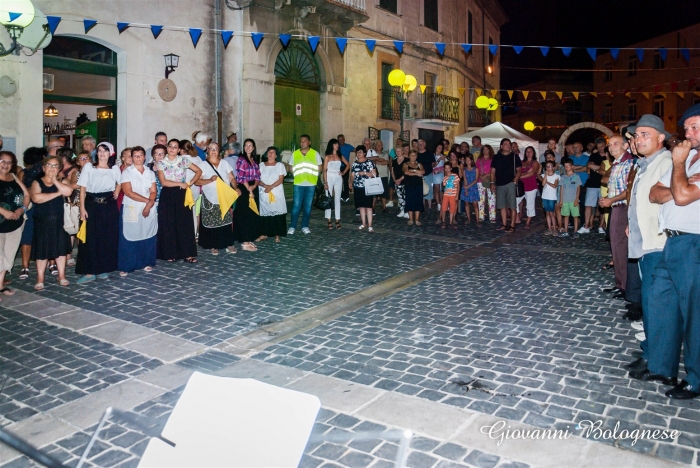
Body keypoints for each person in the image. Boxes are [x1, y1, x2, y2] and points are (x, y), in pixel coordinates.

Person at [644, 104, 700, 399]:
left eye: (695, 127)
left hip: (695, 243)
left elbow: (680, 196)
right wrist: (684, 178)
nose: (689, 134)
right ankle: (663, 366)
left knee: (694, 312)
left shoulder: (683, 159)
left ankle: (696, 378)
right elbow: (656, 193)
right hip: (673, 242)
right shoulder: (688, 158)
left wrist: (680, 170)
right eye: (687, 128)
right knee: (660, 300)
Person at [617, 115, 671, 382]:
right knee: (651, 305)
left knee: (657, 306)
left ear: (661, 138)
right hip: (643, 243)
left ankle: (659, 363)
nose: (638, 140)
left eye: (645, 134)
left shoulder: (667, 162)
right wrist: (631, 223)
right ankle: (651, 354)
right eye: (636, 136)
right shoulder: (644, 164)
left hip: (658, 244)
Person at [75, 142, 121, 283]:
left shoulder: (114, 169)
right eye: (100, 150)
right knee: (90, 238)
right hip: (92, 205)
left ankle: (103, 268)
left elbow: (120, 182)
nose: (102, 153)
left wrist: (116, 193)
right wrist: (82, 208)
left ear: (110, 153)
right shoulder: (89, 167)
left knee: (106, 237)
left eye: (105, 151)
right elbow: (83, 188)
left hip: (108, 206)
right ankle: (89, 272)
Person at [156, 138, 202, 263]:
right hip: (168, 194)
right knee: (168, 223)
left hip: (182, 194)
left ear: (179, 150)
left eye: (175, 147)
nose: (172, 149)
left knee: (184, 224)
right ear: (167, 148)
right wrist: (179, 184)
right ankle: (170, 253)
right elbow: (163, 182)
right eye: (170, 146)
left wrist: (190, 183)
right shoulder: (161, 163)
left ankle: (187, 253)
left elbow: (199, 171)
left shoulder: (183, 160)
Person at [30, 155, 73, 289]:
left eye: (55, 166)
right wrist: (57, 193)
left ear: (59, 168)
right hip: (42, 221)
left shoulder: (62, 180)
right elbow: (36, 198)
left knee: (61, 249)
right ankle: (40, 277)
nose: (52, 168)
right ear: (43, 167)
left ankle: (61, 275)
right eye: (49, 165)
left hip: (60, 221)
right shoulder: (37, 182)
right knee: (42, 251)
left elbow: (68, 191)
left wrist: (55, 181)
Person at [118, 146, 158, 276]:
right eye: (135, 156)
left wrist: (149, 204)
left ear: (144, 157)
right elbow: (128, 192)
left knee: (147, 233)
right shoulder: (127, 172)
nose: (138, 158)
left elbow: (153, 191)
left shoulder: (150, 172)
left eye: (140, 155)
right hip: (132, 206)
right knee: (130, 235)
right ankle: (127, 265)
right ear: (132, 157)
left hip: (148, 207)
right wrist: (148, 202)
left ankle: (146, 262)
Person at [196, 142, 239, 255]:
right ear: (207, 151)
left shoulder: (224, 163)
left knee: (225, 220)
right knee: (212, 222)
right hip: (210, 198)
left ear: (219, 150)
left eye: (216, 149)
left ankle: (228, 243)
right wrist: (209, 180)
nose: (214, 151)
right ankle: (213, 245)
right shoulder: (203, 165)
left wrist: (236, 188)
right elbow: (196, 181)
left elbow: (232, 178)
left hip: (223, 197)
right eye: (211, 149)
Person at [0, 151, 29, 296]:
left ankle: (0, 285)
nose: (5, 165)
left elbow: (27, 195)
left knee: (8, 255)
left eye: (9, 162)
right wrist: (3, 211)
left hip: (14, 224)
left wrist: (22, 209)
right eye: (2, 161)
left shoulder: (13, 177)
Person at [17, 147, 46, 280]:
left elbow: (19, 190)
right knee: (40, 236)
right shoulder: (44, 171)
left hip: (30, 205)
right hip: (41, 204)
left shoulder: (23, 172)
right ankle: (48, 265)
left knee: (27, 237)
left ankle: (25, 267)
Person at [286, 134, 323, 235]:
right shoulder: (295, 154)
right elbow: (290, 167)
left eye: (305, 141)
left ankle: (304, 226)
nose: (302, 143)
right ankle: (292, 226)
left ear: (309, 142)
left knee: (308, 206)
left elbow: (320, 167)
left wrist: (312, 174)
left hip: (311, 183)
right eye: (301, 141)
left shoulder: (315, 154)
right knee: (296, 206)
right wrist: (297, 175)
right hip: (298, 183)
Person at [233, 138, 262, 251]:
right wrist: (249, 189)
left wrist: (254, 187)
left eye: (250, 145)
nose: (248, 147)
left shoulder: (254, 161)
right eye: (246, 145)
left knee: (252, 214)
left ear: (253, 148)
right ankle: (244, 241)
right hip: (244, 188)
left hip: (253, 187)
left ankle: (249, 238)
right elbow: (241, 176)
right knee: (244, 215)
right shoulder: (241, 159)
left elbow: (257, 176)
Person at [491, 139, 522, 233]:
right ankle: (504, 224)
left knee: (512, 206)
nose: (508, 146)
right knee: (502, 205)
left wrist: (514, 181)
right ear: (501, 146)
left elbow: (519, 170)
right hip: (500, 184)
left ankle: (512, 225)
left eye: (509, 144)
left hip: (510, 183)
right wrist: (492, 183)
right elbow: (492, 171)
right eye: (505, 144)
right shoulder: (496, 157)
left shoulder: (514, 157)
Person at [258, 147, 288, 242]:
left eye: (273, 152)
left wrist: (270, 186)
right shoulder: (261, 165)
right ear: (266, 154)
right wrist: (265, 186)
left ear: (276, 155)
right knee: (265, 213)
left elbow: (280, 179)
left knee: (276, 213)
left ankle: (277, 234)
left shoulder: (279, 165)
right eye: (269, 152)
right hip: (264, 191)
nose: (270, 154)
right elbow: (257, 179)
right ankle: (264, 233)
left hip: (276, 192)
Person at [578, 137, 606, 234]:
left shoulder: (608, 156)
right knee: (588, 205)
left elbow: (610, 169)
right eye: (598, 147)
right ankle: (586, 226)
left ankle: (601, 226)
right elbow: (589, 166)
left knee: (604, 206)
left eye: (602, 146)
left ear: (605, 145)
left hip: (604, 185)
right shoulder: (593, 156)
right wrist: (602, 170)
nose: (600, 148)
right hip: (592, 184)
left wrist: (596, 169)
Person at [322, 139, 349, 230]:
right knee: (328, 199)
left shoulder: (340, 156)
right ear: (331, 145)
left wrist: (343, 172)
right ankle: (329, 219)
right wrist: (325, 182)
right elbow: (324, 170)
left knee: (337, 199)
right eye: (335, 144)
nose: (337, 145)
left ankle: (337, 220)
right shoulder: (327, 157)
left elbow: (348, 165)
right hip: (329, 177)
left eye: (337, 144)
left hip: (338, 177)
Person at [349, 145, 377, 232]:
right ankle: (363, 223)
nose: (359, 154)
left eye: (360, 152)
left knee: (368, 206)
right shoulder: (354, 163)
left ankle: (370, 225)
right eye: (357, 152)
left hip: (368, 187)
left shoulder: (369, 162)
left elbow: (374, 174)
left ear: (364, 153)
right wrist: (350, 182)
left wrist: (364, 173)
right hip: (358, 187)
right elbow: (352, 175)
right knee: (361, 206)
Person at [557, 158, 582, 237]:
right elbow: (562, 189)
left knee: (575, 216)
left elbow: (578, 188)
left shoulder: (576, 176)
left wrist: (576, 199)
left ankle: (575, 231)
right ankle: (566, 231)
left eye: (568, 166)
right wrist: (561, 200)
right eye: (565, 166)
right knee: (566, 215)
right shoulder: (563, 177)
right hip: (565, 199)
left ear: (572, 167)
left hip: (573, 199)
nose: (567, 168)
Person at [517, 146, 540, 229]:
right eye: (527, 151)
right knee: (515, 201)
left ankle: (528, 221)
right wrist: (521, 175)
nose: (528, 153)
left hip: (531, 186)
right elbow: (517, 171)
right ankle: (517, 217)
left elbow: (532, 173)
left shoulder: (535, 163)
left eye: (530, 151)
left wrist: (520, 176)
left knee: (530, 204)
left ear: (533, 153)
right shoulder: (522, 162)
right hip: (521, 186)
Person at [402, 150, 425, 226]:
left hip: (418, 185)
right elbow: (406, 172)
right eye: (411, 155)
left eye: (414, 155)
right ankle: (411, 219)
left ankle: (417, 219)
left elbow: (423, 172)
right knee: (410, 201)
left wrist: (413, 170)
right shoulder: (405, 164)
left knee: (418, 201)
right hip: (409, 185)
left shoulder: (419, 164)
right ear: (409, 156)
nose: (413, 157)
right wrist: (416, 173)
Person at [570, 142, 589, 225]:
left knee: (582, 204)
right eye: (574, 147)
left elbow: (586, 168)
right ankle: (572, 222)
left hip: (583, 184)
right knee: (571, 203)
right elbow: (567, 169)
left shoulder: (587, 158)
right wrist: (581, 167)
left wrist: (573, 169)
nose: (575, 148)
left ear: (581, 148)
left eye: (577, 147)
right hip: (571, 185)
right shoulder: (570, 158)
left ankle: (582, 222)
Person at [476, 144, 496, 224]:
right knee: (481, 199)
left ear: (489, 150)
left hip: (490, 179)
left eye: (487, 149)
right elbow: (476, 168)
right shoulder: (479, 159)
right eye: (484, 149)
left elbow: (494, 169)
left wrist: (487, 175)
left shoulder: (493, 159)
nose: (485, 151)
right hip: (480, 180)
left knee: (491, 198)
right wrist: (480, 176)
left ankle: (492, 216)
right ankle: (481, 215)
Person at [540, 161, 560, 235]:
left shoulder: (556, 176)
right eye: (547, 166)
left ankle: (554, 229)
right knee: (547, 213)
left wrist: (547, 182)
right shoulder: (544, 175)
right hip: (545, 196)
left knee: (552, 213)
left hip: (552, 197)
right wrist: (545, 176)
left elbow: (555, 185)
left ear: (554, 167)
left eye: (550, 166)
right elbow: (542, 184)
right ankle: (549, 228)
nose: (548, 168)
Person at [439, 162, 460, 229]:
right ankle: (443, 222)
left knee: (452, 209)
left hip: (453, 195)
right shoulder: (444, 178)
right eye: (446, 168)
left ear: (451, 168)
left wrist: (457, 195)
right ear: (444, 169)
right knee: (444, 208)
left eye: (448, 168)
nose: (447, 169)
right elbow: (444, 187)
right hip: (446, 195)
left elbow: (458, 186)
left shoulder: (455, 176)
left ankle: (451, 222)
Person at [461, 155, 480, 227]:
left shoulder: (476, 169)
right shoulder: (465, 170)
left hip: (473, 188)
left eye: (469, 160)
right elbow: (465, 179)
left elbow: (476, 179)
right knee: (467, 204)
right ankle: (468, 219)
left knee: (475, 204)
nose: (467, 161)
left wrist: (468, 186)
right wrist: (466, 189)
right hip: (467, 187)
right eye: (466, 160)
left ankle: (477, 220)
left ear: (472, 160)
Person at [392, 145, 408, 218]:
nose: (398, 152)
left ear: (402, 152)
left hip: (405, 181)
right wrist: (395, 180)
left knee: (406, 196)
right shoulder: (394, 161)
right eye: (396, 151)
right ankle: (402, 210)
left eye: (399, 151)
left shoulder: (407, 160)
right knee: (400, 197)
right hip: (397, 181)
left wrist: (401, 179)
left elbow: (407, 172)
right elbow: (392, 171)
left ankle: (407, 211)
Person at [338, 134, 354, 201]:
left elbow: (355, 149)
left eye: (342, 139)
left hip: (346, 166)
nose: (341, 141)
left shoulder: (348, 146)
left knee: (345, 181)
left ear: (344, 139)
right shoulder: (337, 147)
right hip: (338, 166)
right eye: (339, 140)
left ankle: (346, 196)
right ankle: (341, 195)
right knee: (339, 181)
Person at [431, 143, 445, 209]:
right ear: (436, 148)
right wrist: (439, 159)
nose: (440, 149)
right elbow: (433, 165)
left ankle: (442, 202)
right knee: (437, 189)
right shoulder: (433, 155)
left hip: (441, 173)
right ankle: (438, 203)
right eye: (439, 147)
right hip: (436, 173)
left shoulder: (443, 156)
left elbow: (445, 165)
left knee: (441, 189)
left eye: (441, 148)